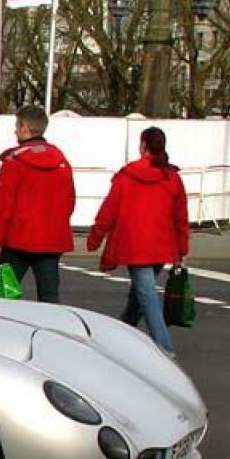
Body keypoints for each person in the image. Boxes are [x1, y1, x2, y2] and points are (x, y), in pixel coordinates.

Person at [86, 126, 190, 358]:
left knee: (145, 295)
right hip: (161, 245)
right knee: (140, 295)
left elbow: (109, 210)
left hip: (133, 244)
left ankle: (164, 347)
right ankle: (118, 338)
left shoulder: (127, 176)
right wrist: (182, 248)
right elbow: (180, 217)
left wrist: (96, 236)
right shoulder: (172, 178)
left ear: (143, 146)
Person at [0, 105, 76, 303]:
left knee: (2, 299)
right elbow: (69, 202)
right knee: (50, 299)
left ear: (24, 128)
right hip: (51, 240)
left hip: (18, 240)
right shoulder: (61, 161)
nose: (15, 130)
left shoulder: (14, 163)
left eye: (17, 125)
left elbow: (1, 209)